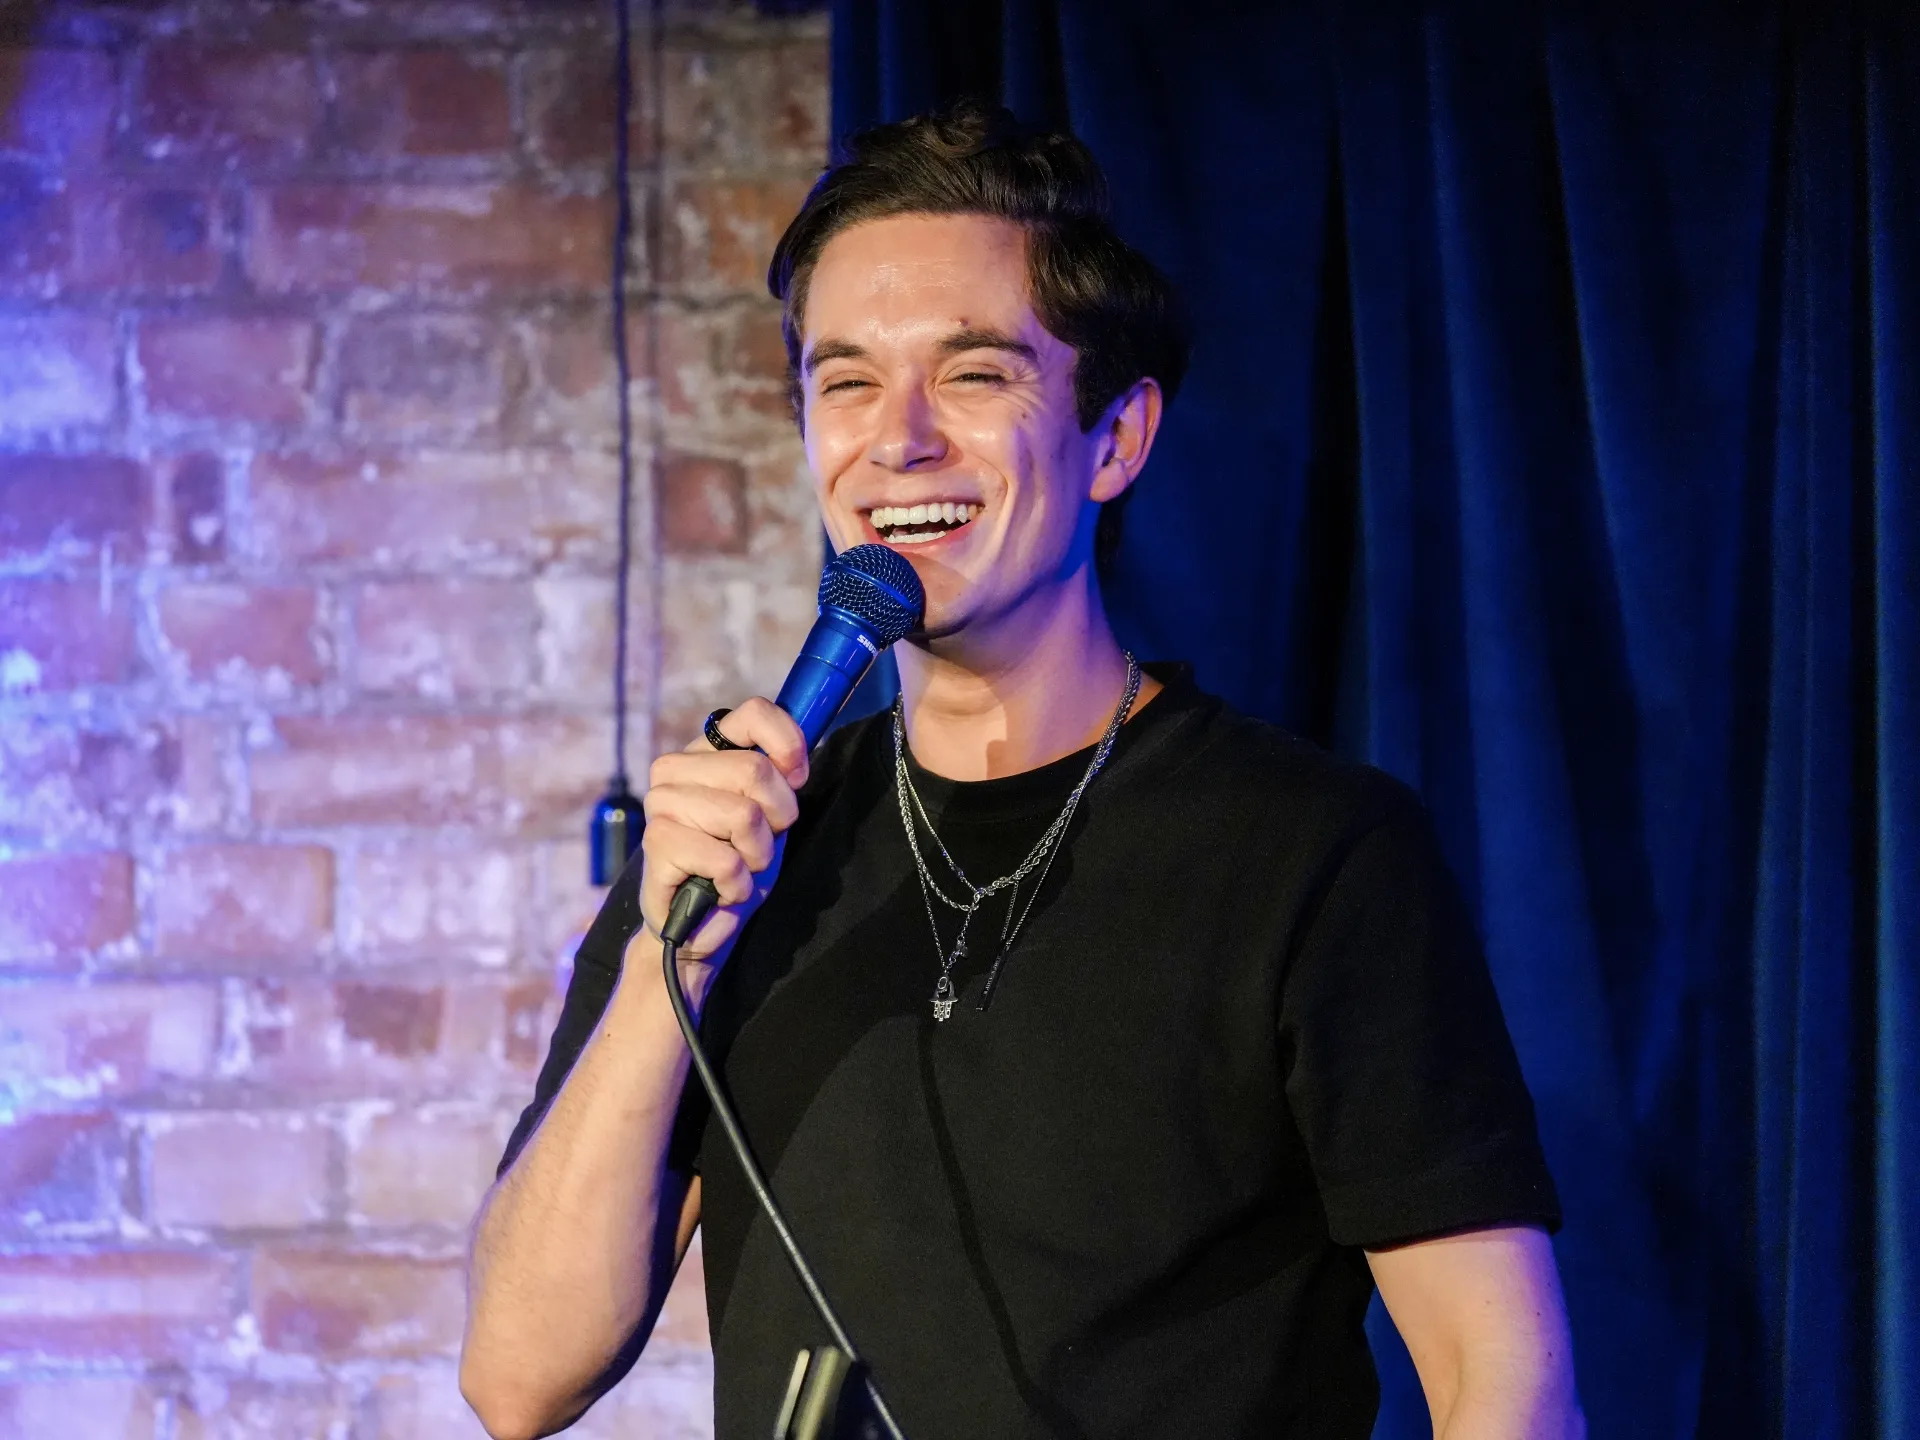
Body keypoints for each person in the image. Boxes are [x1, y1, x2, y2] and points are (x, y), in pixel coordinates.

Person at [460, 101, 1584, 1440]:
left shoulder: (1310, 851)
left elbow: (1501, 1381)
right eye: (848, 380)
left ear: (1114, 439)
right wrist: (670, 959)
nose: (901, 439)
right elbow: (518, 1377)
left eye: (977, 374)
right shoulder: (738, 847)